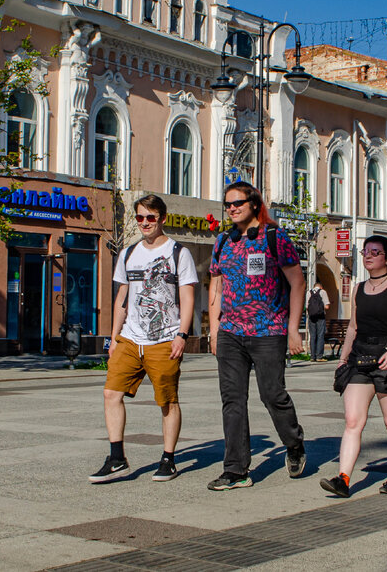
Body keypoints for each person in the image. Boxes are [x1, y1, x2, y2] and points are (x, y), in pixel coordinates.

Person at [207, 181, 307, 491]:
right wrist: (213, 329)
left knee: (271, 394)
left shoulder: (274, 237)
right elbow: (216, 286)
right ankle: (236, 470)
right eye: (228, 204)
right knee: (232, 400)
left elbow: (298, 283)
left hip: (269, 331)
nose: (232, 208)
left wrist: (293, 329)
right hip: (231, 333)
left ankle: (294, 444)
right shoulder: (223, 241)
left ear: (254, 204)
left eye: (238, 202)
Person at [90, 194, 197, 484]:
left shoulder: (179, 253)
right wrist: (113, 339)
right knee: (111, 393)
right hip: (129, 339)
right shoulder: (127, 254)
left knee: (167, 401)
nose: (145, 223)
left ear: (162, 218)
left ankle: (168, 458)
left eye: (150, 217)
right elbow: (122, 299)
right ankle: (116, 459)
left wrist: (181, 335)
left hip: (164, 340)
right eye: (140, 217)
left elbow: (187, 298)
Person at [320, 236, 387, 498]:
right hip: (360, 359)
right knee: (352, 421)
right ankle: (343, 478)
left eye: (376, 252)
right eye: (366, 251)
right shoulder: (359, 288)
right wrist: (342, 360)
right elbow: (353, 328)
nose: (369, 256)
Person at [306, 282, 330, 361]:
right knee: (320, 336)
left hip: (311, 317)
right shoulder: (323, 292)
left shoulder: (308, 292)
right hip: (321, 317)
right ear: (321, 287)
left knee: (312, 336)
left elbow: (306, 306)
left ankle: (312, 356)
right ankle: (319, 356)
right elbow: (327, 306)